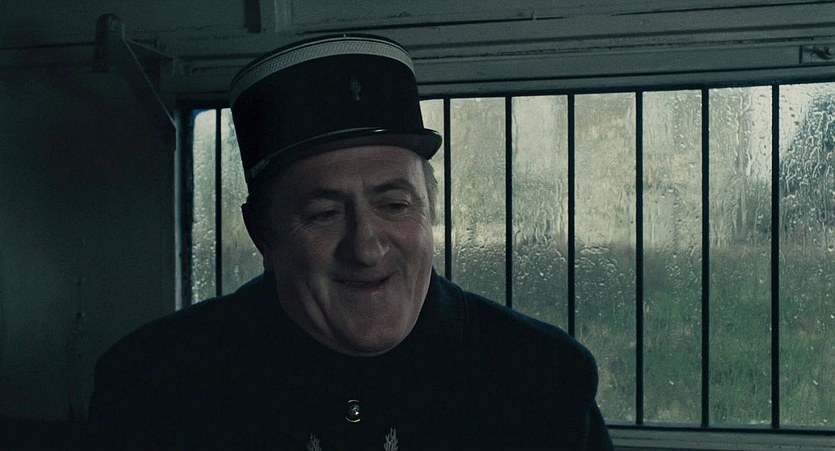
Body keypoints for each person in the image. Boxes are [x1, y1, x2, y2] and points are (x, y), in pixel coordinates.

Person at [88, 34, 614, 450]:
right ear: (262, 234)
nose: (366, 248)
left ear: (431, 209)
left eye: (394, 204)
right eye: (324, 214)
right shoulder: (154, 386)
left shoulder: (543, 378)